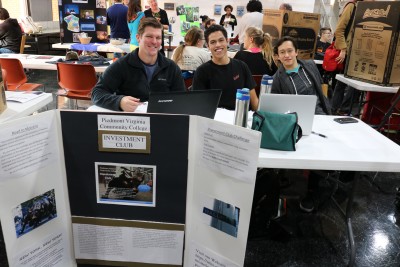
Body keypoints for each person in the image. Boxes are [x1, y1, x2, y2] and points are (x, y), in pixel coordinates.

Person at [91, 18, 185, 112]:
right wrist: (119, 102)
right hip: (132, 122)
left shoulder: (171, 68)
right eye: (149, 36)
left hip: (161, 121)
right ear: (138, 38)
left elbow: (182, 100)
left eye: (158, 38)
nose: (154, 41)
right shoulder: (122, 65)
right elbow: (97, 93)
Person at [192, 25, 259, 111]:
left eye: (221, 40)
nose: (218, 45)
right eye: (213, 42)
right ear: (208, 46)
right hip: (215, 120)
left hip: (239, 118)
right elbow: (198, 105)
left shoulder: (242, 66)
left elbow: (254, 101)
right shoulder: (202, 72)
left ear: (227, 41)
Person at [272, 36, 331, 115]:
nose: (286, 55)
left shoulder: (310, 65)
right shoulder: (277, 79)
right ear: (278, 56)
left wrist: (327, 106)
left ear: (296, 52)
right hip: (296, 117)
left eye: (290, 51)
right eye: (282, 52)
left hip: (319, 114)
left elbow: (322, 87)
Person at [331, 0, 363, 115]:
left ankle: (340, 110)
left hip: (360, 52)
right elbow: (339, 30)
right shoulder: (352, 6)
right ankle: (338, 110)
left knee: (350, 83)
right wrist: (343, 49)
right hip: (349, 51)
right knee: (343, 82)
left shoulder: (366, 8)